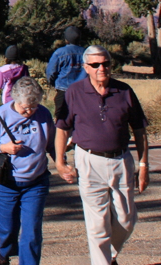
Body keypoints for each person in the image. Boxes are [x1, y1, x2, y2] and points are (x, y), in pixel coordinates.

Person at [55, 46, 150, 265]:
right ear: (86, 67)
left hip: (121, 160)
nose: (102, 68)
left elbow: (139, 130)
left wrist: (143, 165)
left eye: (106, 63)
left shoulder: (124, 91)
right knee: (97, 224)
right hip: (88, 161)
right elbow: (62, 128)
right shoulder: (74, 92)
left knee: (127, 219)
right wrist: (60, 162)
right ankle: (102, 261)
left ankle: (109, 255)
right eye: (96, 65)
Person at [0, 77, 55, 265]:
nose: (29, 112)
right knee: (8, 229)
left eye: (33, 107)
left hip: (36, 183)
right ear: (15, 101)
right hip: (5, 184)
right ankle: (4, 253)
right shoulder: (0, 116)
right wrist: (4, 148)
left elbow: (52, 143)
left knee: (32, 231)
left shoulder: (43, 114)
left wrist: (62, 160)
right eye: (25, 108)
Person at [46, 26, 86, 121]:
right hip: (82, 90)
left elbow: (51, 71)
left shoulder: (60, 53)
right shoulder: (86, 53)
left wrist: (53, 83)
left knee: (62, 119)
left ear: (66, 39)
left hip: (63, 90)